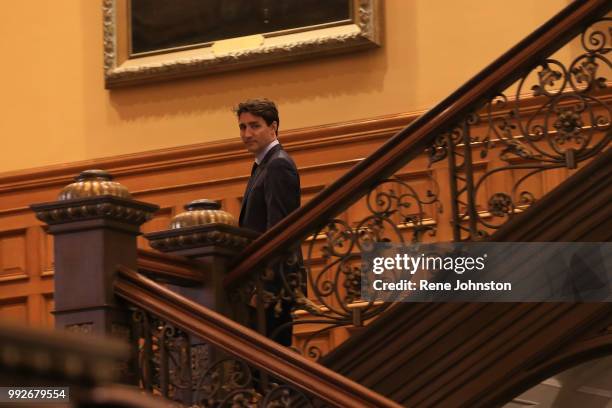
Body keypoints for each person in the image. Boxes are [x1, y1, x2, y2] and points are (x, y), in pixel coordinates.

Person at [235, 98, 301, 346]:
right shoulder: (264, 165)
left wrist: (266, 288)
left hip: (272, 288)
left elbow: (280, 231)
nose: (247, 133)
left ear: (273, 127)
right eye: (242, 127)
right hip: (262, 286)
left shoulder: (278, 165)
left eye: (255, 126)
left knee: (272, 366)